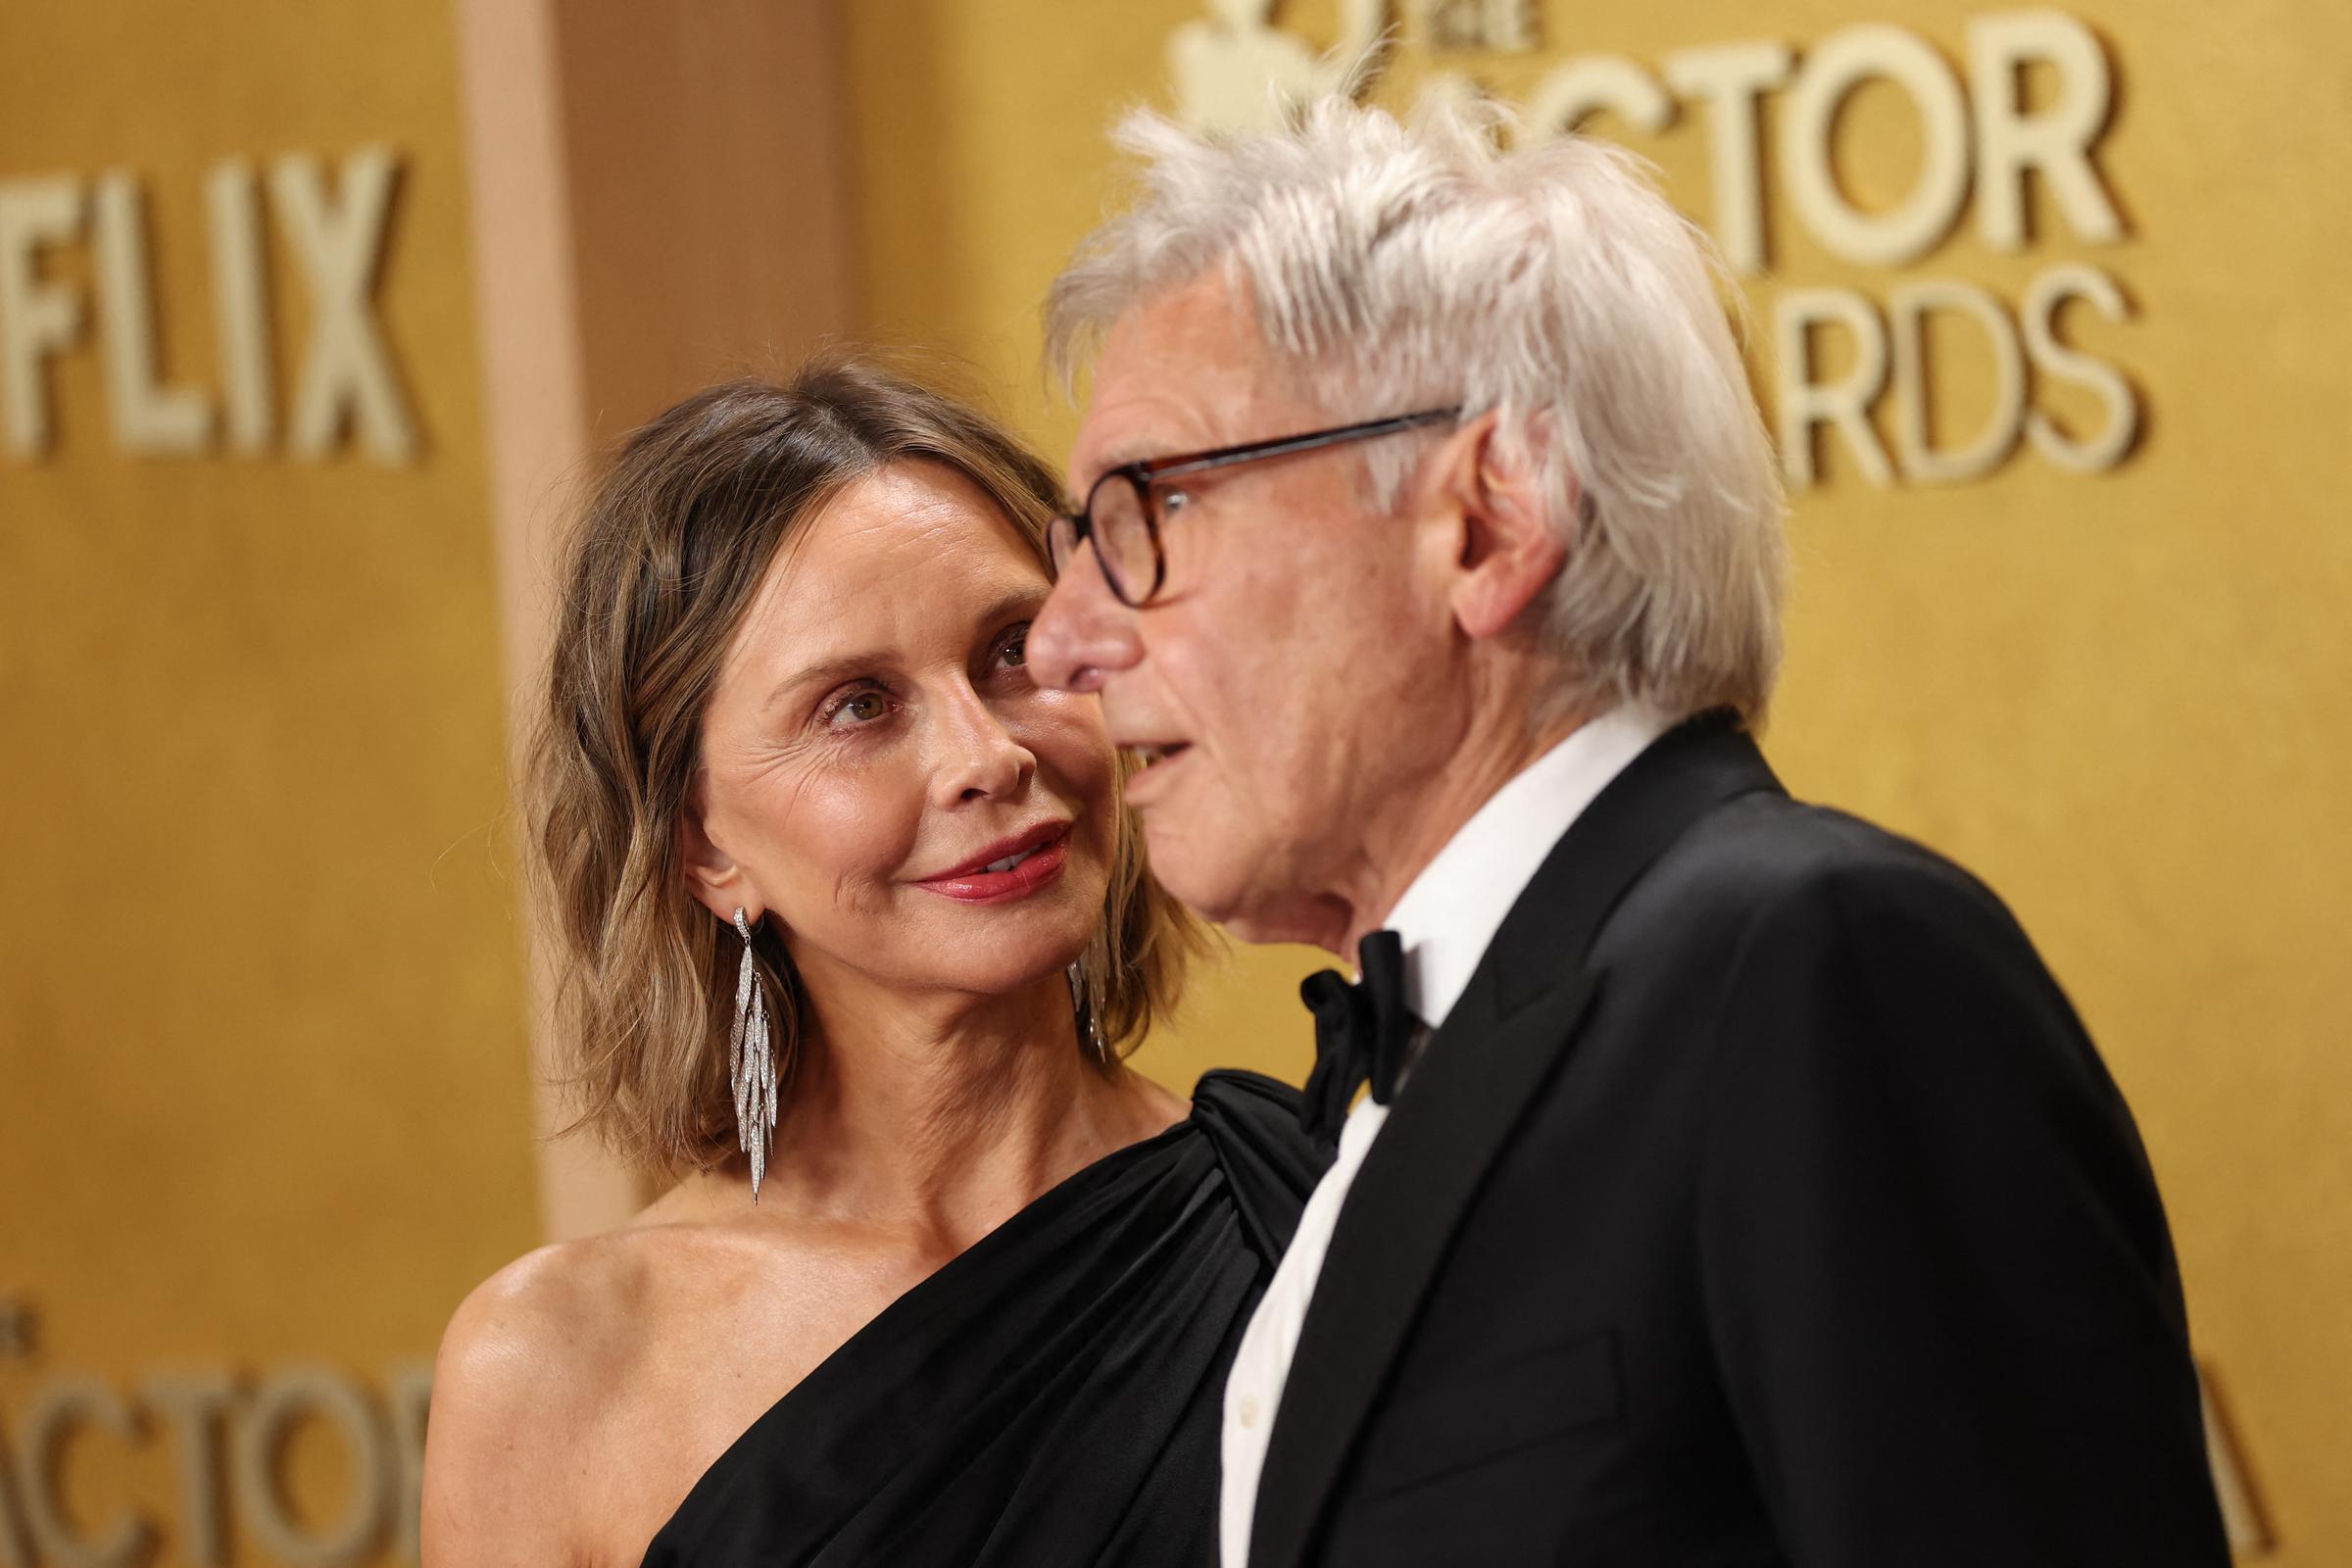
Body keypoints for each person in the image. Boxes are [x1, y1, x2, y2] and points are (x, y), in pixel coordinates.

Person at [1028, 96, 2230, 1567]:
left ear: (1487, 522)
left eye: (1148, 511)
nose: (1061, 640)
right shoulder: (1397, 1073)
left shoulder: (1815, 964)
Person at [420, 360, 1324, 1566]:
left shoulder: (1317, 1221)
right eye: (858, 705)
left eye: (1013, 648)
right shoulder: (558, 1364)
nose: (987, 753)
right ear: (704, 845)